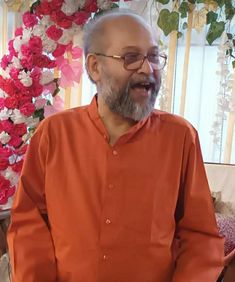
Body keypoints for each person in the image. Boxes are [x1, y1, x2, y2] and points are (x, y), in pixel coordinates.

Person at [7, 9, 224, 282]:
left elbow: (201, 238)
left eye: (154, 57)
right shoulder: (54, 134)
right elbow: (28, 227)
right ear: (95, 67)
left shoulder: (180, 137)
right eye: (131, 58)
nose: (148, 69)